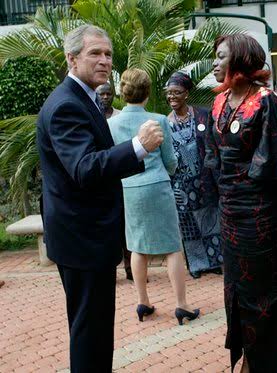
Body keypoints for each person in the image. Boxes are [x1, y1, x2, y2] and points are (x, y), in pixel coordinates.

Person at [36, 25, 164, 372]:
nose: (105, 60)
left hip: (88, 237)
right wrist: (138, 147)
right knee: (90, 335)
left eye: (108, 54)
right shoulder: (66, 105)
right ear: (71, 58)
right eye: (95, 53)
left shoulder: (83, 98)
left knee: (95, 333)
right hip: (82, 240)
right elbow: (84, 168)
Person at [205, 33, 277, 372]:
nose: (215, 64)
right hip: (229, 212)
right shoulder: (218, 103)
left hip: (261, 215)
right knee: (236, 289)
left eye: (220, 57)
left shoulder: (266, 101)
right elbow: (212, 155)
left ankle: (269, 364)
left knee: (264, 292)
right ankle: (248, 355)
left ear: (241, 60)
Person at [109, 68, 199, 324]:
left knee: (137, 246)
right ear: (147, 92)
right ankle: (181, 305)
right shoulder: (159, 120)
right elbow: (170, 161)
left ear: (122, 92)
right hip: (157, 185)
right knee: (172, 247)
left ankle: (143, 302)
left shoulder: (111, 124)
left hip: (129, 189)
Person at [165, 71, 222, 279]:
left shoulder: (202, 115)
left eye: (176, 92)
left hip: (204, 178)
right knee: (188, 224)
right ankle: (197, 265)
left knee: (211, 219)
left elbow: (213, 145)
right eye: (169, 93)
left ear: (186, 94)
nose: (172, 97)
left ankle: (215, 261)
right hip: (180, 183)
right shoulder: (165, 122)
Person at [96, 82, 133, 281]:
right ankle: (109, 271)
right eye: (101, 94)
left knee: (125, 227)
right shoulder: (91, 115)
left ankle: (130, 269)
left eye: (108, 94)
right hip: (101, 177)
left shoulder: (120, 117)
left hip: (121, 176)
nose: (105, 97)